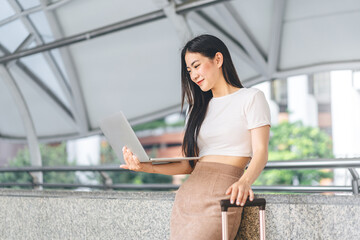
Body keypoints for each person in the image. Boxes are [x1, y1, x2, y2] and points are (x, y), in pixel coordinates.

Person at [120, 34, 271, 240]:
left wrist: (245, 182)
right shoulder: (195, 109)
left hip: (224, 192)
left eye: (196, 66)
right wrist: (145, 166)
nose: (192, 76)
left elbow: (261, 152)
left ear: (218, 59)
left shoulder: (251, 98)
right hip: (188, 197)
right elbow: (187, 164)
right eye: (189, 70)